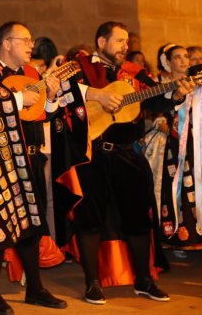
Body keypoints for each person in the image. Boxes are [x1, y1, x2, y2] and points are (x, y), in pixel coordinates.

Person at [71, 22, 194, 304]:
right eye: (119, 41)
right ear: (101, 41)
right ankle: (92, 283)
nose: (126, 46)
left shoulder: (136, 74)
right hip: (92, 155)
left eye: (127, 41)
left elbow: (156, 101)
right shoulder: (79, 67)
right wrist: (97, 94)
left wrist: (175, 94)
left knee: (139, 218)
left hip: (128, 154)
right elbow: (62, 91)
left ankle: (144, 279)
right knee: (90, 221)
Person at [0, 21, 67, 314]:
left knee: (32, 226)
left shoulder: (29, 74)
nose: (31, 45)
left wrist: (51, 97)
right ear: (6, 43)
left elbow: (41, 114)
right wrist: (18, 99)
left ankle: (35, 289)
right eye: (25, 40)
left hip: (30, 159)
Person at [142, 44, 202, 253]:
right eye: (177, 57)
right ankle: (177, 236)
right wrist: (165, 126)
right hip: (169, 143)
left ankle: (196, 233)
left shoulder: (195, 82)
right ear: (167, 61)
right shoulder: (160, 84)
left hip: (194, 141)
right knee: (172, 188)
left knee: (195, 186)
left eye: (186, 56)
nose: (183, 60)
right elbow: (154, 111)